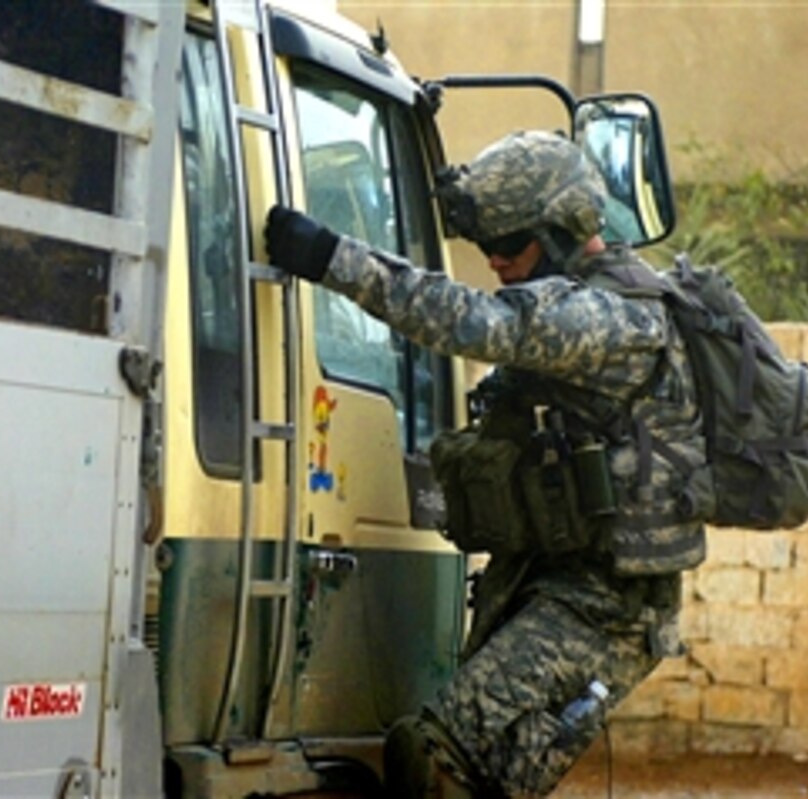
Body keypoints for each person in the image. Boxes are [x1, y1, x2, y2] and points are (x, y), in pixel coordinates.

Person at [265, 131, 712, 797]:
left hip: (604, 606)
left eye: (510, 245)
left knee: (440, 758)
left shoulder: (607, 316)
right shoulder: (576, 300)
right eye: (486, 246)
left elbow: (471, 321)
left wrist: (332, 257)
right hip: (541, 576)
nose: (495, 261)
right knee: (469, 769)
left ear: (560, 231)